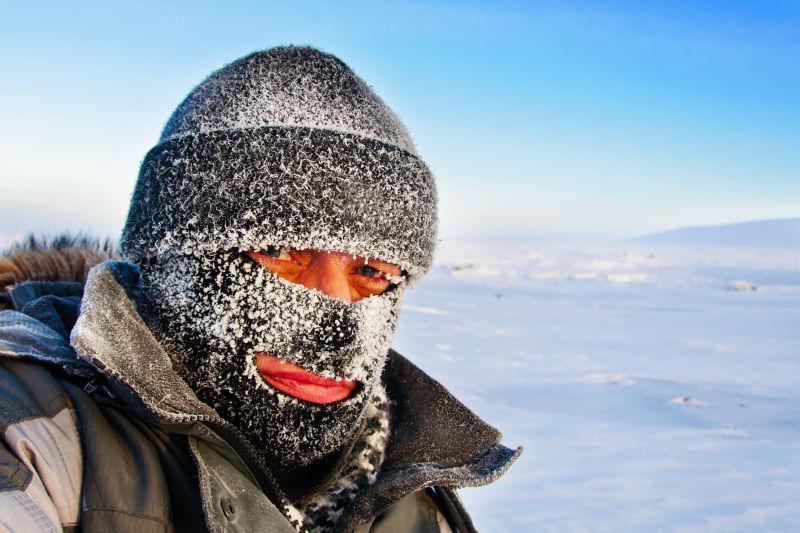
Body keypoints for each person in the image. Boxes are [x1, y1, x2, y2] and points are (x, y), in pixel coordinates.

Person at [0, 46, 520, 532]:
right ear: (170, 261)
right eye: (277, 253)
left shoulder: (408, 482)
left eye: (372, 272)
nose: (335, 323)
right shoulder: (38, 433)